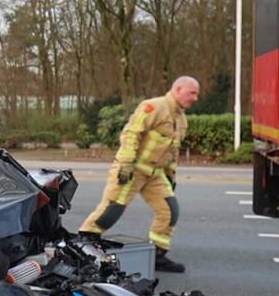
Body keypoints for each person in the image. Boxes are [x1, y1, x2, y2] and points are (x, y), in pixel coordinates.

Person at [79, 76, 199, 272]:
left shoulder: (181, 119)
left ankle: (157, 255)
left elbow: (172, 151)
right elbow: (131, 134)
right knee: (110, 212)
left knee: (169, 211)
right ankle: (83, 247)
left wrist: (171, 176)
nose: (195, 98)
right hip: (132, 169)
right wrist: (126, 164)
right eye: (192, 93)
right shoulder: (154, 107)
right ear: (178, 89)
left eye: (196, 94)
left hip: (155, 174)